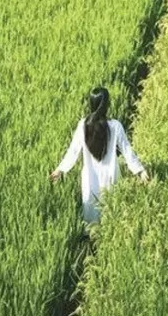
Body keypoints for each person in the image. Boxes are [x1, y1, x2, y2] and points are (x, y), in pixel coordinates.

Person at [50, 86, 148, 225]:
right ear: (107, 105)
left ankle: (91, 242)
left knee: (91, 217)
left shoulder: (83, 125)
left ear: (91, 103)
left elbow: (73, 151)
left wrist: (60, 169)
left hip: (90, 178)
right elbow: (127, 151)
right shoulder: (115, 126)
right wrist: (140, 170)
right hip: (111, 176)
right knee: (112, 215)